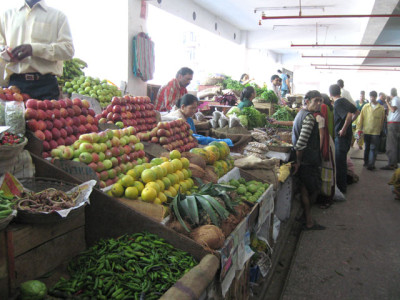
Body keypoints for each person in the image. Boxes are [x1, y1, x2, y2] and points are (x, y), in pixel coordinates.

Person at [0, 0, 74, 100]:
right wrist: (4, 52)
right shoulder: (7, 16)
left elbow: (68, 50)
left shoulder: (58, 16)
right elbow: (1, 46)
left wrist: (34, 49)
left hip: (46, 86)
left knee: (46, 115)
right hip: (15, 86)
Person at [292, 90, 325, 230]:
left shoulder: (300, 113)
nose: (318, 104)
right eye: (316, 100)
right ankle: (308, 220)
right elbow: (300, 143)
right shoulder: (310, 118)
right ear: (307, 101)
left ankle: (307, 218)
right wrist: (299, 162)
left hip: (305, 161)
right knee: (314, 189)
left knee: (304, 189)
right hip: (308, 161)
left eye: (320, 101)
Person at [330, 84, 359, 194]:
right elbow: (356, 112)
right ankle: (342, 186)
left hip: (341, 138)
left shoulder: (338, 103)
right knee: (342, 163)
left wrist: (343, 129)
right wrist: (349, 123)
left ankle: (341, 189)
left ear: (330, 94)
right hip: (347, 138)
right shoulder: (345, 101)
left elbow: (347, 115)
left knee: (340, 164)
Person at [314, 93, 336, 208]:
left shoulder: (322, 108)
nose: (317, 103)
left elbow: (321, 132)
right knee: (328, 171)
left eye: (318, 101)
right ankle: (326, 197)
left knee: (326, 172)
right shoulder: (329, 107)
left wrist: (320, 149)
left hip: (326, 142)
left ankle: (327, 199)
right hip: (330, 138)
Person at [356, 91, 385, 170]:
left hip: (376, 132)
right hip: (366, 131)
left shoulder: (381, 108)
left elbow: (382, 120)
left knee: (373, 148)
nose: (371, 98)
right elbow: (361, 118)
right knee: (367, 147)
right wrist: (359, 128)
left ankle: (371, 164)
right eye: (370, 97)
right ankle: (366, 162)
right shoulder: (365, 107)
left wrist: (380, 129)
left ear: (375, 97)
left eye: (372, 97)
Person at [381, 88, 400, 170]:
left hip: (394, 124)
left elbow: (393, 109)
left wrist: (387, 102)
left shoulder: (395, 99)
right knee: (395, 144)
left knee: (391, 145)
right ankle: (394, 163)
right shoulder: (397, 99)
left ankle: (392, 164)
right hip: (396, 124)